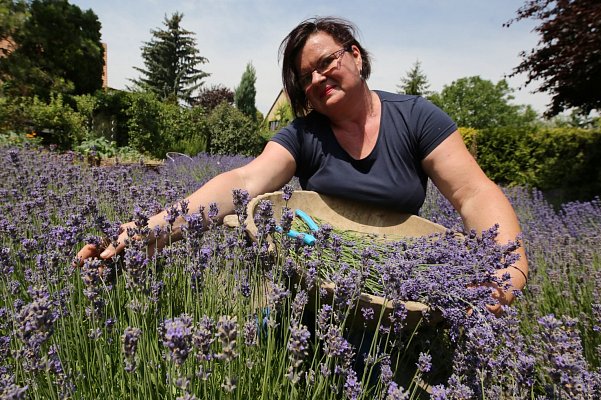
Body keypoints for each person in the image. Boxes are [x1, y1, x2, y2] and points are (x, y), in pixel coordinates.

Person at [76, 16, 528, 310]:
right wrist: (148, 230)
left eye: (325, 61)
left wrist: (507, 269)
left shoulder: (416, 117)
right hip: (317, 288)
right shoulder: (304, 135)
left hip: (398, 288)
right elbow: (242, 181)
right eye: (305, 76)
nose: (317, 78)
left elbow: (474, 193)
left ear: (355, 54)